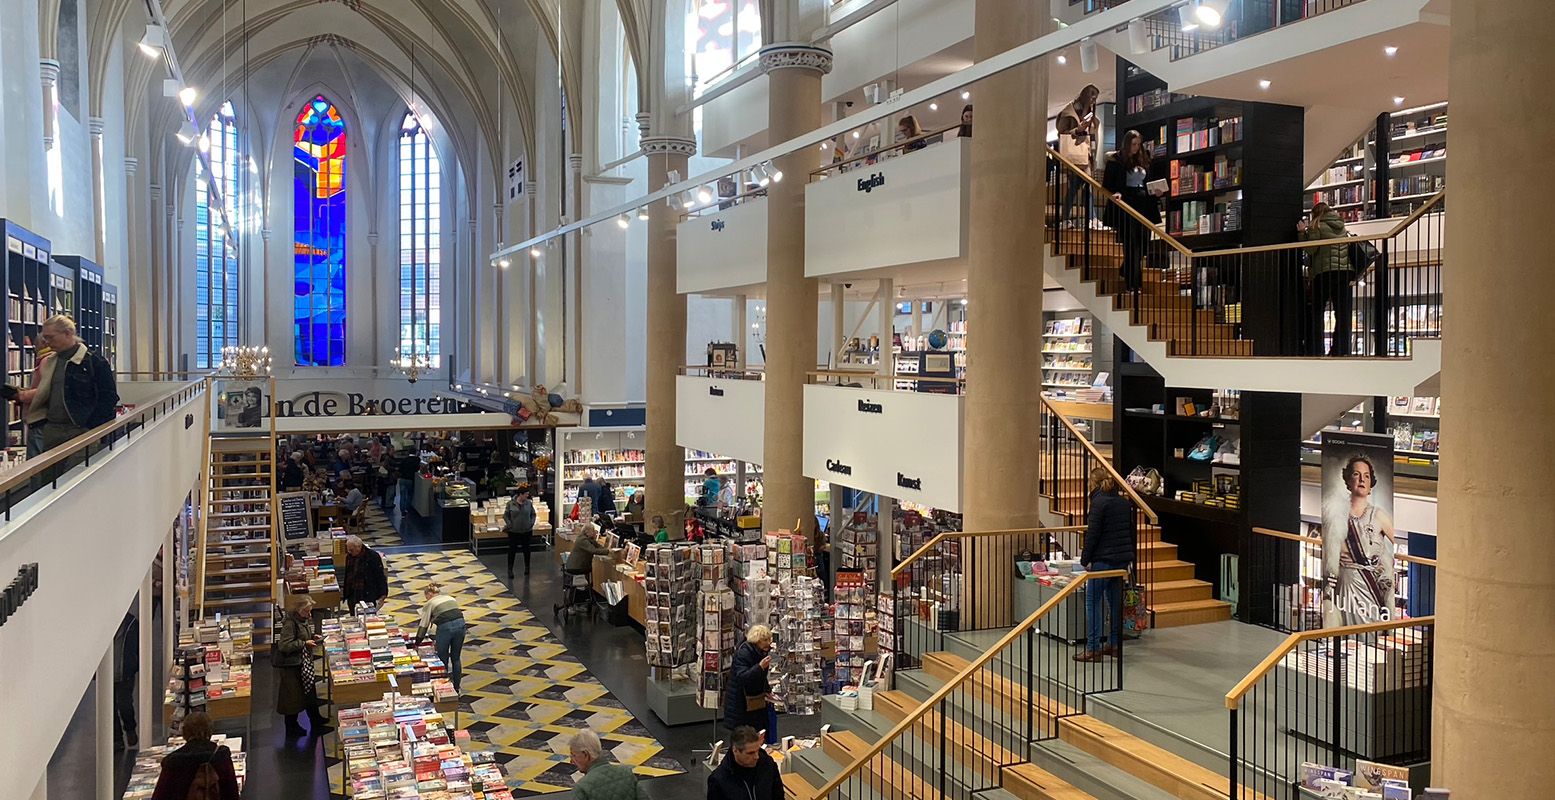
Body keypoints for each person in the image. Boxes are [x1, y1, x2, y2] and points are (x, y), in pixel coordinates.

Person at [0, 315, 119, 453]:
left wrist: (91, 426)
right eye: (45, 337)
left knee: (75, 472)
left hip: (80, 430)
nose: (46, 342)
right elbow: (46, 392)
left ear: (68, 333)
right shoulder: (50, 362)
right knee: (49, 474)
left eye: (50, 337)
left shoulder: (94, 362)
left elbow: (108, 397)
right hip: (52, 430)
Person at [1324, 453, 1397, 625]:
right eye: (1356, 475)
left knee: (1370, 629)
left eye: (1366, 476)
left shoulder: (1378, 515)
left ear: (1371, 483)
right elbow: (1332, 550)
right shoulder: (1336, 514)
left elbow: (1394, 541)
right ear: (1348, 480)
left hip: (1369, 586)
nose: (1362, 480)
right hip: (1346, 583)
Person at [1075, 468, 1136, 662]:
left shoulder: (1098, 503)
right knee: (1114, 602)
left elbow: (1092, 534)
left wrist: (1085, 559)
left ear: (1093, 483)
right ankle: (1114, 644)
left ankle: (1093, 648)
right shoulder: (1124, 503)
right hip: (1121, 560)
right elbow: (1129, 532)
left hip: (1103, 559)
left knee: (1093, 601)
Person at [1102, 130, 1164, 293]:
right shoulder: (1116, 160)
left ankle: (1125, 270)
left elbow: (1148, 182)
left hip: (1144, 203)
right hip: (1127, 203)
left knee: (1143, 244)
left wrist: (1156, 192)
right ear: (1127, 144)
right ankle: (1134, 285)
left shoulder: (1144, 159)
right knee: (1131, 247)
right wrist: (1117, 192)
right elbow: (1108, 184)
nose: (1136, 148)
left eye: (1138, 144)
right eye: (1133, 144)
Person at [1300, 202, 1355, 356]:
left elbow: (1311, 249)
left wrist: (1301, 233)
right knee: (1343, 313)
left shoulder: (1316, 226)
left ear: (1315, 214)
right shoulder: (1342, 226)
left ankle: (1316, 350)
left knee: (1317, 311)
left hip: (1325, 272)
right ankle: (1341, 350)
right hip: (1345, 272)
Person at [149, 712, 240, 800]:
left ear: (184, 732)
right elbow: (232, 793)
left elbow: (160, 796)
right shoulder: (221, 755)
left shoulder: (172, 761)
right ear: (211, 730)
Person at [275, 596, 329, 736]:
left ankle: (316, 720)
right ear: (299, 610)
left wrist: (312, 637)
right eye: (306, 611)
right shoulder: (290, 624)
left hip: (303, 664)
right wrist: (304, 643)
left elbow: (302, 635)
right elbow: (284, 645)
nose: (309, 614)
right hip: (293, 667)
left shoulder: (301, 620)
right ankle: (293, 727)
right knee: (293, 699)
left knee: (309, 694)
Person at [1056, 84, 1102, 228]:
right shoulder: (1070, 112)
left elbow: (1093, 137)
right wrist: (1078, 129)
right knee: (1076, 187)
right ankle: (1081, 219)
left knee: (1085, 187)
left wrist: (1093, 157)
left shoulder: (1091, 114)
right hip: (1073, 156)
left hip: (1085, 155)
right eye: (1092, 95)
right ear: (1085, 95)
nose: (1094, 99)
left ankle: (1089, 218)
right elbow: (1062, 133)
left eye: (1096, 96)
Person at [412, 582, 466, 692]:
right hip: (461, 625)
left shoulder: (430, 603)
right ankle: (457, 687)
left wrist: (417, 643)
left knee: (442, 658)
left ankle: (444, 687)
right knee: (456, 658)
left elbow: (424, 625)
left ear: (429, 594)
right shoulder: (450, 598)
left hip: (445, 628)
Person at [724, 624, 774, 741]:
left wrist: (767, 689)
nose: (768, 643)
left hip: (754, 701)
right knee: (743, 737)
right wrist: (760, 667)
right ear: (757, 641)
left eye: (769, 639)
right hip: (741, 703)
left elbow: (760, 676)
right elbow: (742, 677)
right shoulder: (744, 653)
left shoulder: (761, 652)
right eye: (765, 640)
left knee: (757, 733)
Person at [707, 725, 783, 800]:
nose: (756, 757)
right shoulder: (718, 779)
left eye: (757, 750)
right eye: (750, 753)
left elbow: (778, 796)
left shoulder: (768, 764)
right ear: (735, 750)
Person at [569, 729, 642, 800]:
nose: (571, 761)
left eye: (574, 755)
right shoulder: (627, 773)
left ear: (585, 754)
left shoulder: (582, 788)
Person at [340, 535, 389, 612]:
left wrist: (383, 594)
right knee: (354, 616)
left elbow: (380, 576)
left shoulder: (372, 556)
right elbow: (347, 574)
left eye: (351, 550)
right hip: (352, 594)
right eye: (348, 550)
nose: (349, 552)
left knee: (368, 616)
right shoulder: (349, 556)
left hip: (367, 594)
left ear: (358, 547)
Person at [113, 611, 139, 749]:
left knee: (125, 704)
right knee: (110, 708)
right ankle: (117, 739)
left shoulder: (131, 624)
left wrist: (134, 665)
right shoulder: (100, 628)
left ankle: (130, 729)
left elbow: (139, 646)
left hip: (125, 673)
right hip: (107, 675)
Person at [505, 485, 538, 579]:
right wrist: (509, 524)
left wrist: (531, 523)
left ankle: (527, 567)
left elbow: (533, 514)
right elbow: (506, 515)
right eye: (526, 494)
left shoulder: (529, 503)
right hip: (513, 531)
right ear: (520, 494)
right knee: (512, 550)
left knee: (527, 550)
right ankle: (510, 569)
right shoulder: (510, 504)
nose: (527, 496)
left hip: (526, 531)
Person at [396, 448, 420, 516]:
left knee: (402, 496)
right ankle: (407, 508)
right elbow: (418, 469)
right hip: (411, 479)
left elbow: (400, 469)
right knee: (409, 495)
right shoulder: (417, 460)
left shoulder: (404, 459)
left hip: (403, 479)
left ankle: (402, 511)